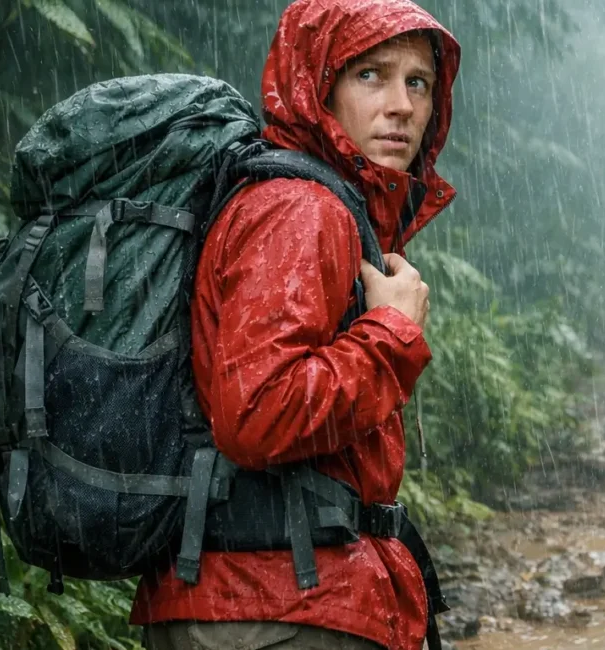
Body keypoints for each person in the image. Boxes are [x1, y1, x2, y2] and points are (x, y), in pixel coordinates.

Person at [129, 1, 460, 648]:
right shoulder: (299, 210)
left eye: (417, 82)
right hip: (275, 611)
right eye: (371, 76)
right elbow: (258, 411)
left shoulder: (318, 204)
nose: (402, 105)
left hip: (278, 598)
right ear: (319, 87)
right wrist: (390, 332)